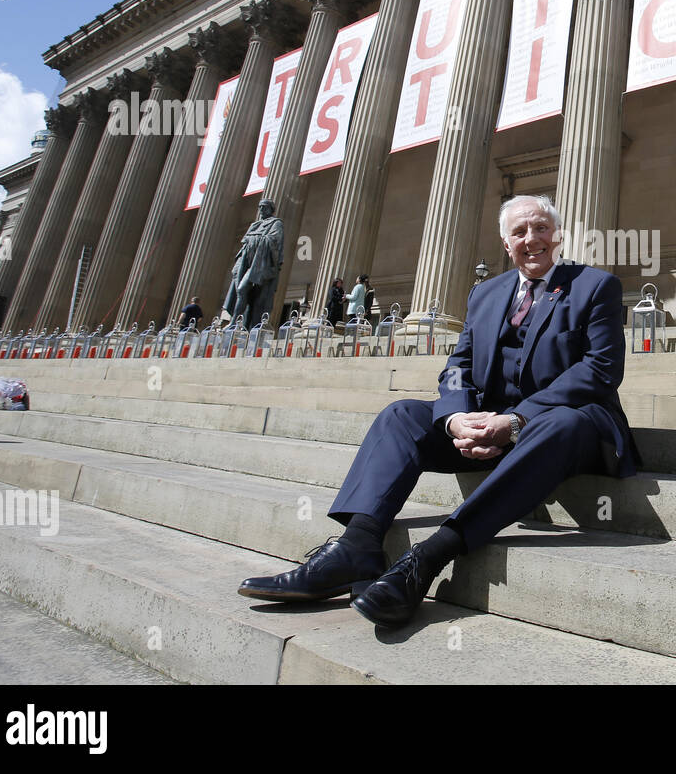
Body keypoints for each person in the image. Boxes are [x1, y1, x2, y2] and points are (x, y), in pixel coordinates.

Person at [239, 194, 639, 628]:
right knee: (401, 415)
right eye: (520, 231)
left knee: (560, 421)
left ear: (557, 235)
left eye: (541, 228)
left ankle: (429, 557)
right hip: (486, 423)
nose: (532, 239)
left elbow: (600, 370)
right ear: (506, 243)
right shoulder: (486, 293)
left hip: (569, 427)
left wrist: (517, 420)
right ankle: (358, 545)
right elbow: (458, 366)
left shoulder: (595, 285)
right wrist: (456, 417)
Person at [222, 199, 284, 329]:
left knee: (242, 289)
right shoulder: (255, 225)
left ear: (271, 209)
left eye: (264, 207)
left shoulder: (276, 223)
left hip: (261, 264)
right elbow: (244, 244)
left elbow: (275, 240)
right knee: (242, 291)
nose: (261, 210)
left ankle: (235, 322)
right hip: (248, 262)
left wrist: (256, 239)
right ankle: (236, 323)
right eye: (259, 207)